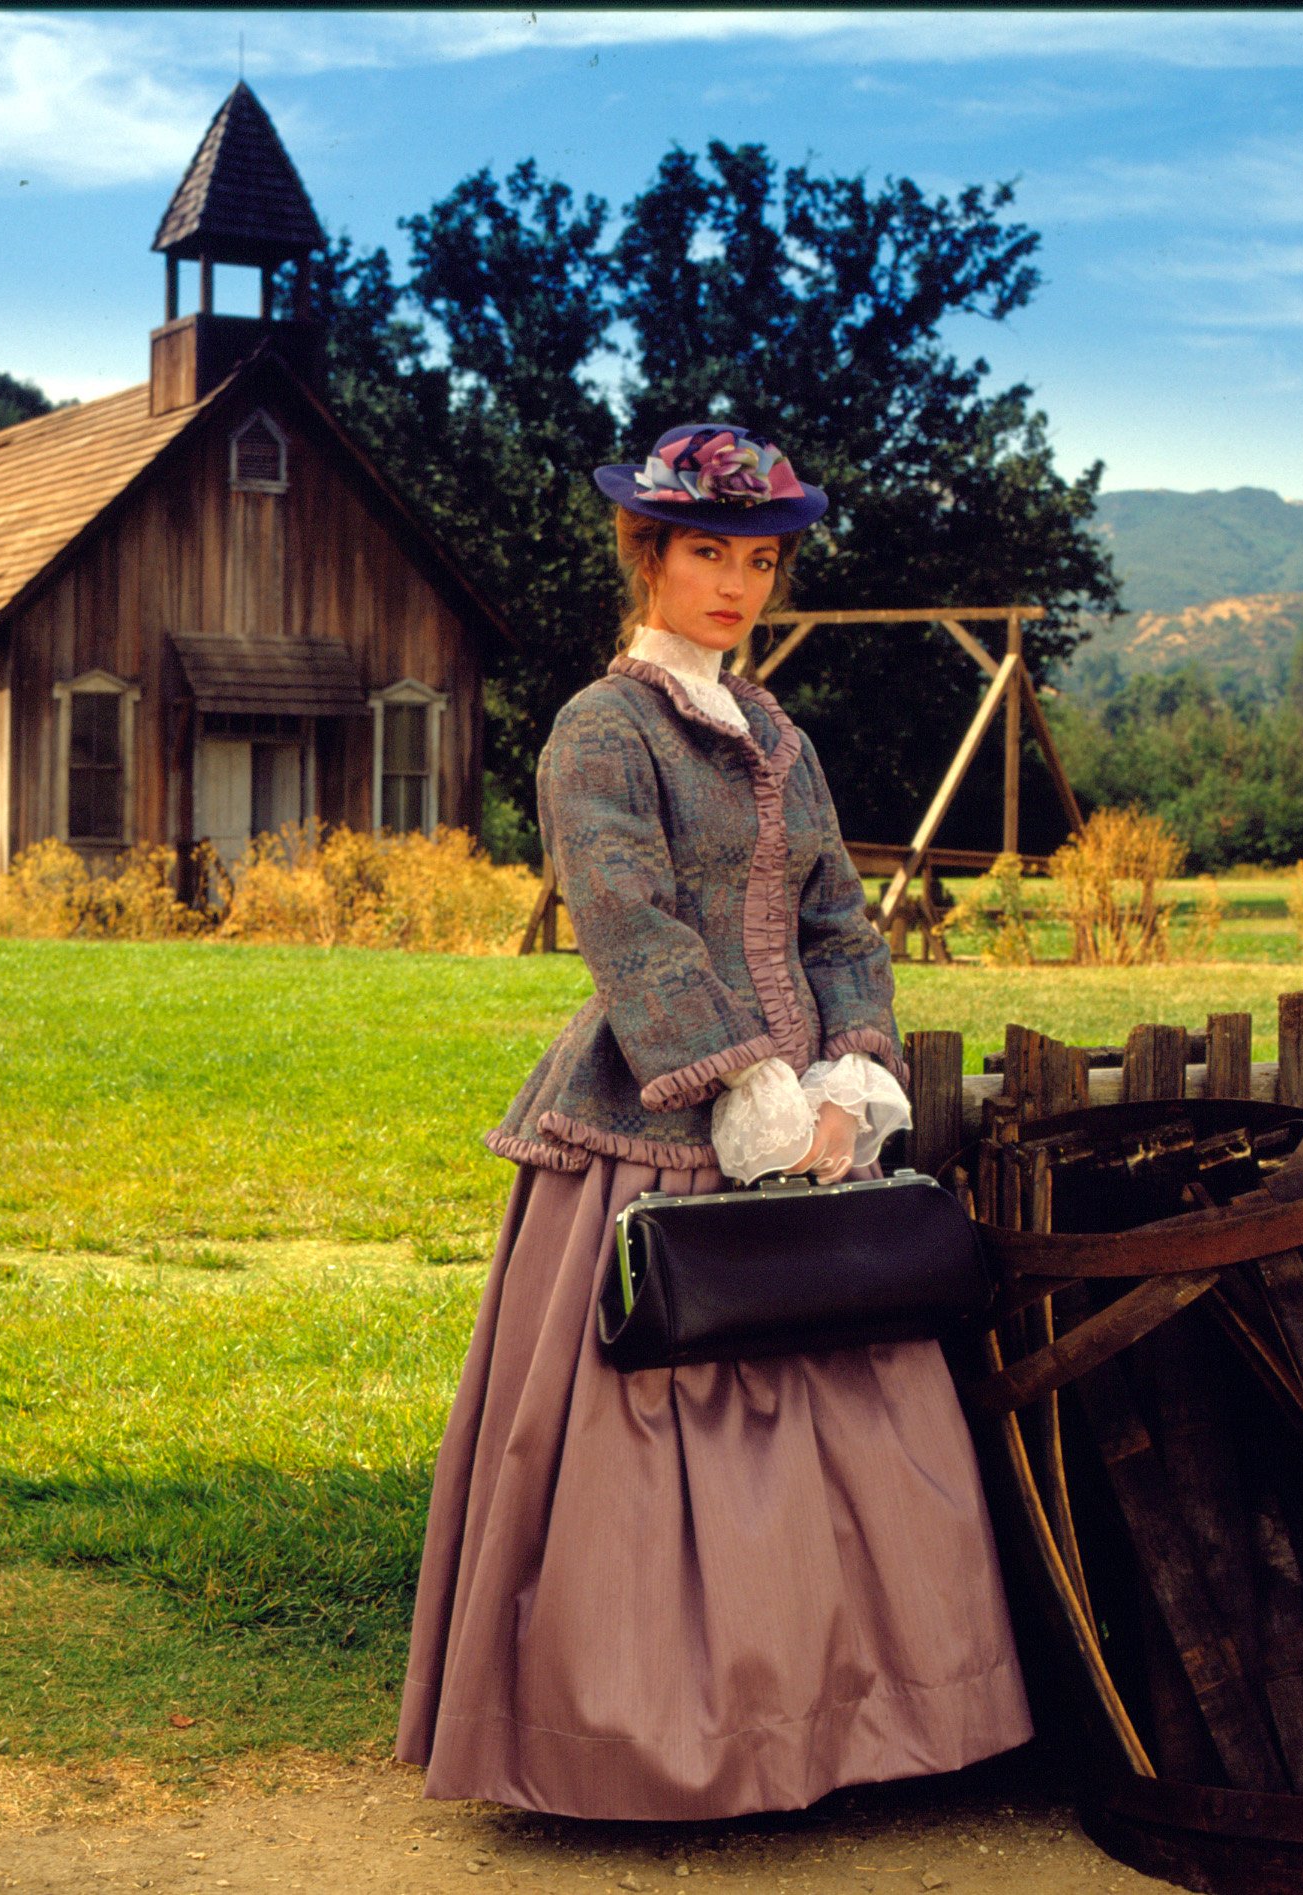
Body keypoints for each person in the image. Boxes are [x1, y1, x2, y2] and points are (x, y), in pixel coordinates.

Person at [395, 422, 1032, 1820]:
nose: (735, 583)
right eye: (707, 553)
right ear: (649, 556)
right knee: (656, 1427)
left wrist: (852, 1078)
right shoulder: (600, 729)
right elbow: (632, 929)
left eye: (758, 559)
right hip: (663, 1111)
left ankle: (849, 1729)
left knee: (847, 1423)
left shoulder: (780, 737)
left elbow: (838, 921)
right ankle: (649, 1742)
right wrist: (749, 1090)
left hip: (814, 1112)